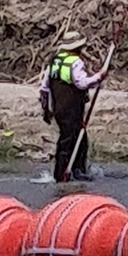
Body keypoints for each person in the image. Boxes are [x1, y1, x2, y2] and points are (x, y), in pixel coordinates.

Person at [40, 31, 106, 183]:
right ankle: (62, 175)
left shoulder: (55, 60)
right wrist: (99, 76)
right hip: (71, 108)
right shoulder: (76, 62)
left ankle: (77, 170)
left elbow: (44, 87)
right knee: (69, 140)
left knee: (78, 139)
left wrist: (46, 109)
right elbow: (82, 83)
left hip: (58, 108)